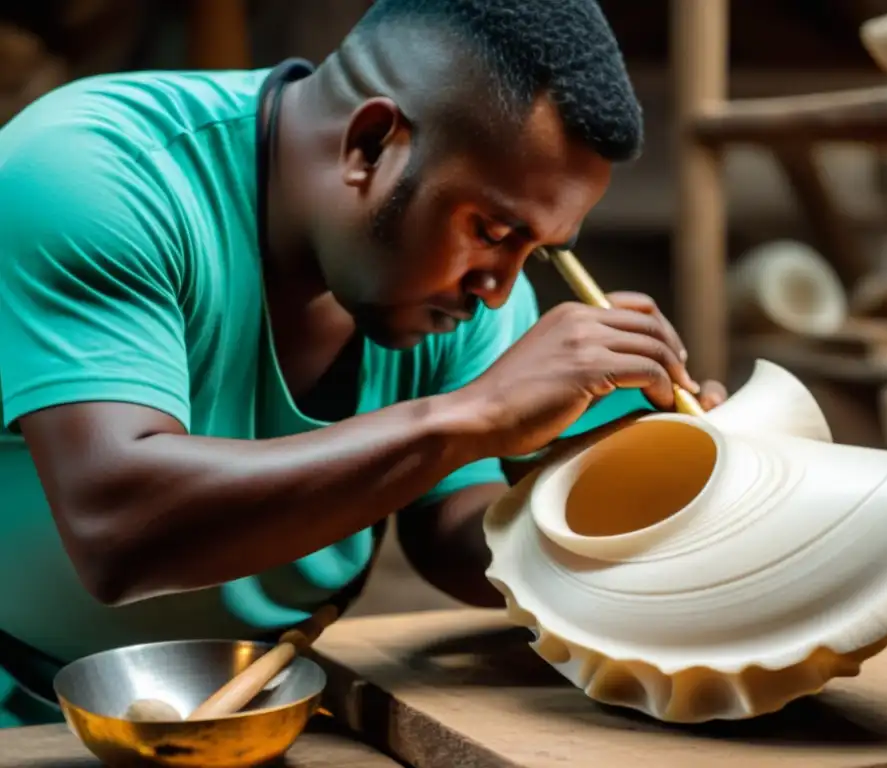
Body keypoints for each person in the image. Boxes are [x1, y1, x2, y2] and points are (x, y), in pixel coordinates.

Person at [0, 0, 727, 727]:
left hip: (266, 703)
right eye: (496, 231)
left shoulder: (458, 290)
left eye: (536, 250)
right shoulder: (95, 174)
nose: (501, 287)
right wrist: (475, 414)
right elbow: (118, 530)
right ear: (371, 144)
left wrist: (627, 499)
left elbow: (450, 523)